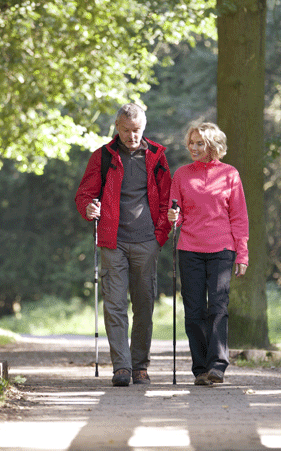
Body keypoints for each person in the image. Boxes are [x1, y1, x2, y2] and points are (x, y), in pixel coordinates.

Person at [75, 103, 172, 386]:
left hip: (146, 242)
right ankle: (122, 368)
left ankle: (140, 365)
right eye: (127, 130)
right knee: (114, 305)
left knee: (143, 306)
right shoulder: (102, 157)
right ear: (117, 128)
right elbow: (85, 194)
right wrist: (89, 208)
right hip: (112, 242)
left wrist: (159, 237)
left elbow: (167, 200)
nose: (133, 136)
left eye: (137, 130)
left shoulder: (157, 156)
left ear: (144, 127)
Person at [167, 122, 249, 386]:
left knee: (217, 307)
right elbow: (174, 215)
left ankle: (217, 366)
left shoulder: (230, 175)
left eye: (199, 143)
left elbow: (239, 217)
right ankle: (200, 368)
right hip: (189, 248)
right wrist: (173, 218)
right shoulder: (181, 175)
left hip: (222, 249)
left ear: (212, 145)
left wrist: (242, 254)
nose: (193, 147)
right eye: (191, 143)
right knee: (193, 312)